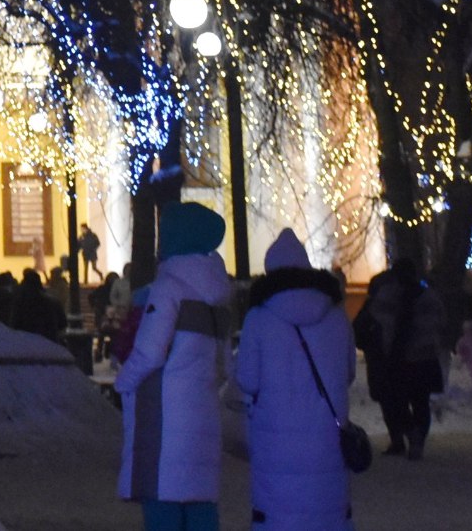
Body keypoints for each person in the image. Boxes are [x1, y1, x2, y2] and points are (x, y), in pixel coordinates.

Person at [113, 201, 233, 531]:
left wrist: (124, 381)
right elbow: (225, 365)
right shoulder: (219, 297)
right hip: (203, 414)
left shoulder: (168, 288)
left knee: (163, 499)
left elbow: (150, 352)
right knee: (200, 503)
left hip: (166, 418)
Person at [236, 229, 355, 531]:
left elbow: (247, 379)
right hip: (326, 436)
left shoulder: (259, 318)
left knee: (278, 515)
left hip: (274, 441)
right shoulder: (336, 316)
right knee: (326, 512)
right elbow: (348, 373)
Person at [357, 241, 448, 458]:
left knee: (397, 400)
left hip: (398, 358)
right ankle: (418, 442)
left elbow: (374, 318)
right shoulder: (429, 298)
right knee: (420, 401)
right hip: (424, 358)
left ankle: (410, 434)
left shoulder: (388, 296)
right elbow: (441, 323)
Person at [9, 269, 67, 342]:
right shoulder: (53, 302)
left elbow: (13, 324)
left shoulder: (19, 303)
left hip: (25, 342)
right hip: (48, 341)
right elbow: (62, 326)